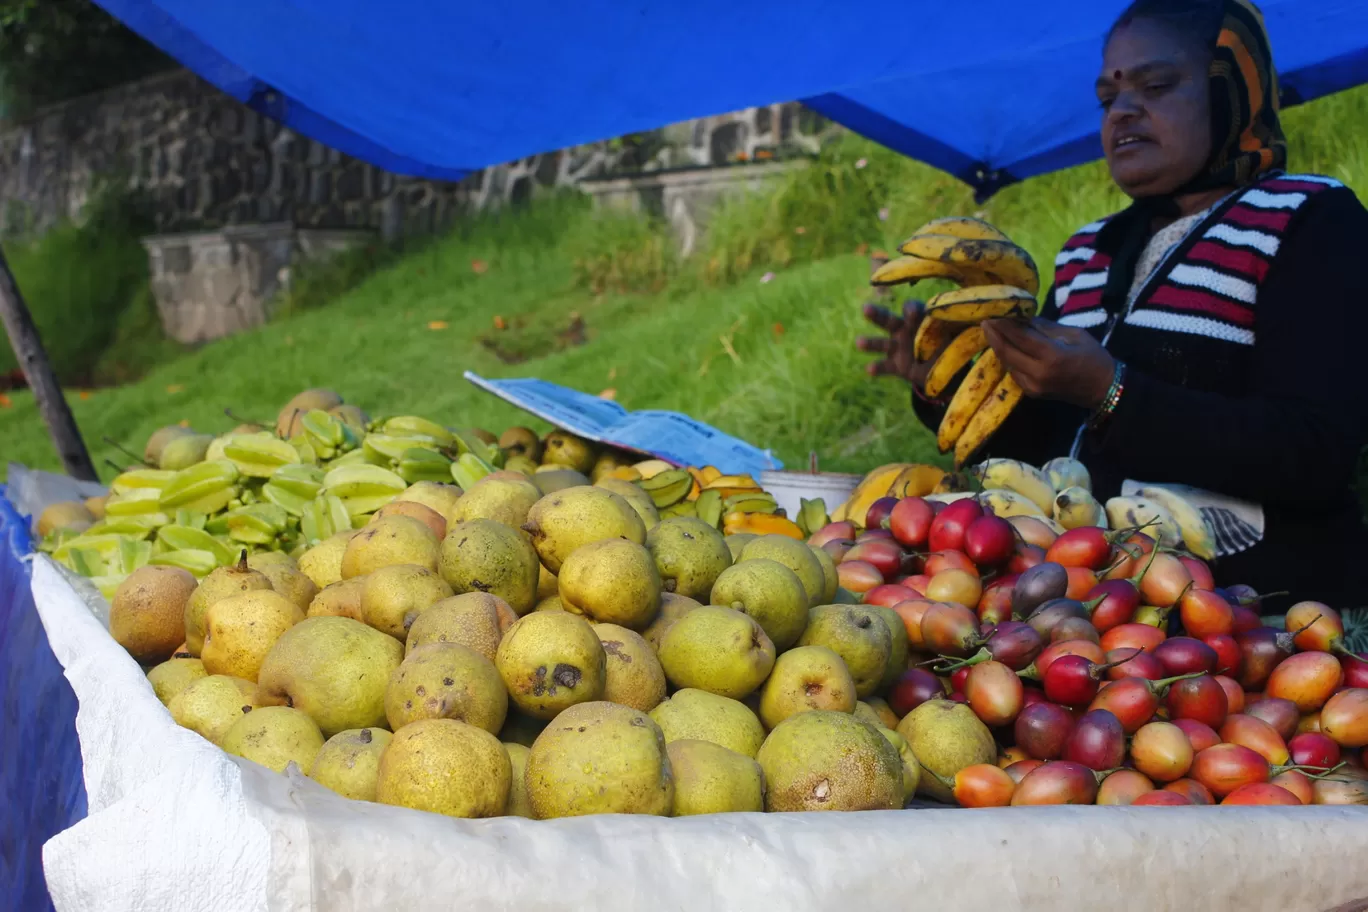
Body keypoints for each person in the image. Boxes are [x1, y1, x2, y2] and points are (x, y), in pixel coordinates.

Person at [858, 0, 1368, 607]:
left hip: (1264, 625)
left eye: (1156, 85)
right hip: (1092, 620)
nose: (1123, 110)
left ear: (1231, 87)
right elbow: (1050, 459)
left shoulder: (1310, 219)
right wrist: (941, 387)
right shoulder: (1085, 254)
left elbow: (1314, 452)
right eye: (1107, 99)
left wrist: (1112, 392)